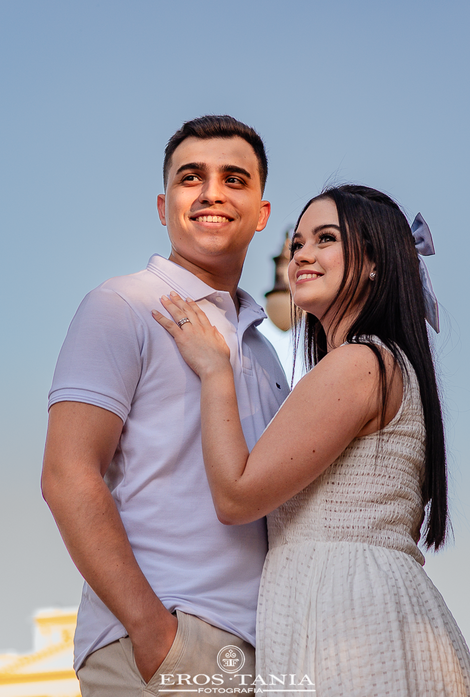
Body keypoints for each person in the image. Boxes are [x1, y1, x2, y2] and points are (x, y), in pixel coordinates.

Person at [153, 184, 470, 696]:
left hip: (346, 615)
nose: (302, 253)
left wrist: (216, 372)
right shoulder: (387, 363)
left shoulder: (359, 362)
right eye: (297, 244)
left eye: (325, 238)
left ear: (374, 263)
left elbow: (237, 496)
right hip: (376, 607)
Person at [41, 115, 289, 696]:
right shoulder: (123, 304)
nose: (211, 193)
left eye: (234, 179)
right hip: (164, 644)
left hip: (263, 654)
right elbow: (67, 475)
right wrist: (154, 634)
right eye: (191, 178)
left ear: (262, 212)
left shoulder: (263, 351)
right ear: (163, 205)